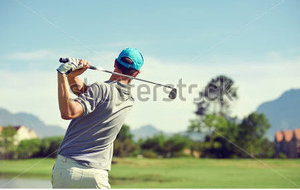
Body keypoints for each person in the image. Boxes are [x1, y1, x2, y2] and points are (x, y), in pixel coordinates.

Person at [52, 48, 144, 188]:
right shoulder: (129, 99)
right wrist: (72, 76)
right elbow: (85, 92)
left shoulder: (100, 89)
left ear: (115, 62)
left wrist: (63, 74)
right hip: (96, 175)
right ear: (137, 73)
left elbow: (68, 112)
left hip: (67, 169)